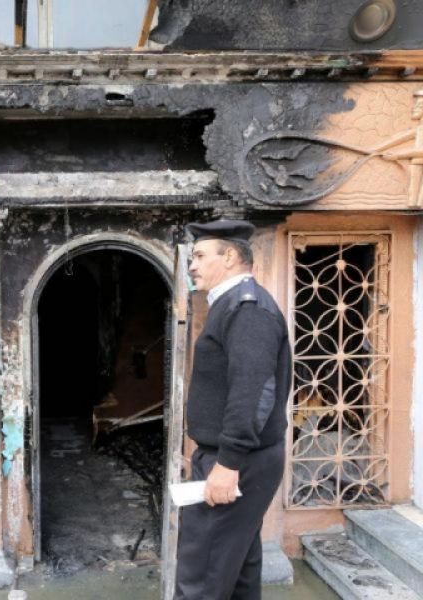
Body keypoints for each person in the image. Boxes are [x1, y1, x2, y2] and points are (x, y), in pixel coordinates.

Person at [175, 219, 292, 600]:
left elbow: (253, 392)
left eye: (199, 256)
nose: (192, 266)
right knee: (237, 568)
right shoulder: (231, 304)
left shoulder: (247, 309)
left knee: (202, 574)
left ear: (229, 257)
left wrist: (228, 464)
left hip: (238, 461)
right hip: (235, 457)